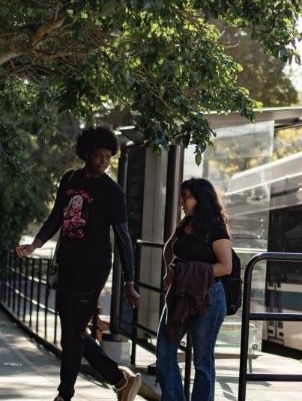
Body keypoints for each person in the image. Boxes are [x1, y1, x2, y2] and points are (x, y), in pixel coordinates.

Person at [15, 126, 142, 401]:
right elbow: (55, 218)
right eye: (99, 155)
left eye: (109, 157)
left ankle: (65, 395)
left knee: (72, 333)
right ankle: (119, 379)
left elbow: (123, 237)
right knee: (71, 333)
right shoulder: (69, 179)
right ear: (86, 153)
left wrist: (129, 281)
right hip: (68, 265)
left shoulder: (112, 192)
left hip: (93, 268)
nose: (104, 161)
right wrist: (34, 245)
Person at [155, 178, 232, 401]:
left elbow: (225, 267)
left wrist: (188, 270)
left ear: (201, 198)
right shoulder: (184, 223)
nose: (182, 202)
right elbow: (168, 248)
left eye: (187, 196)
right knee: (164, 353)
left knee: (202, 361)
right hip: (179, 296)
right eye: (182, 196)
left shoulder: (216, 227)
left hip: (208, 297)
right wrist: (170, 272)